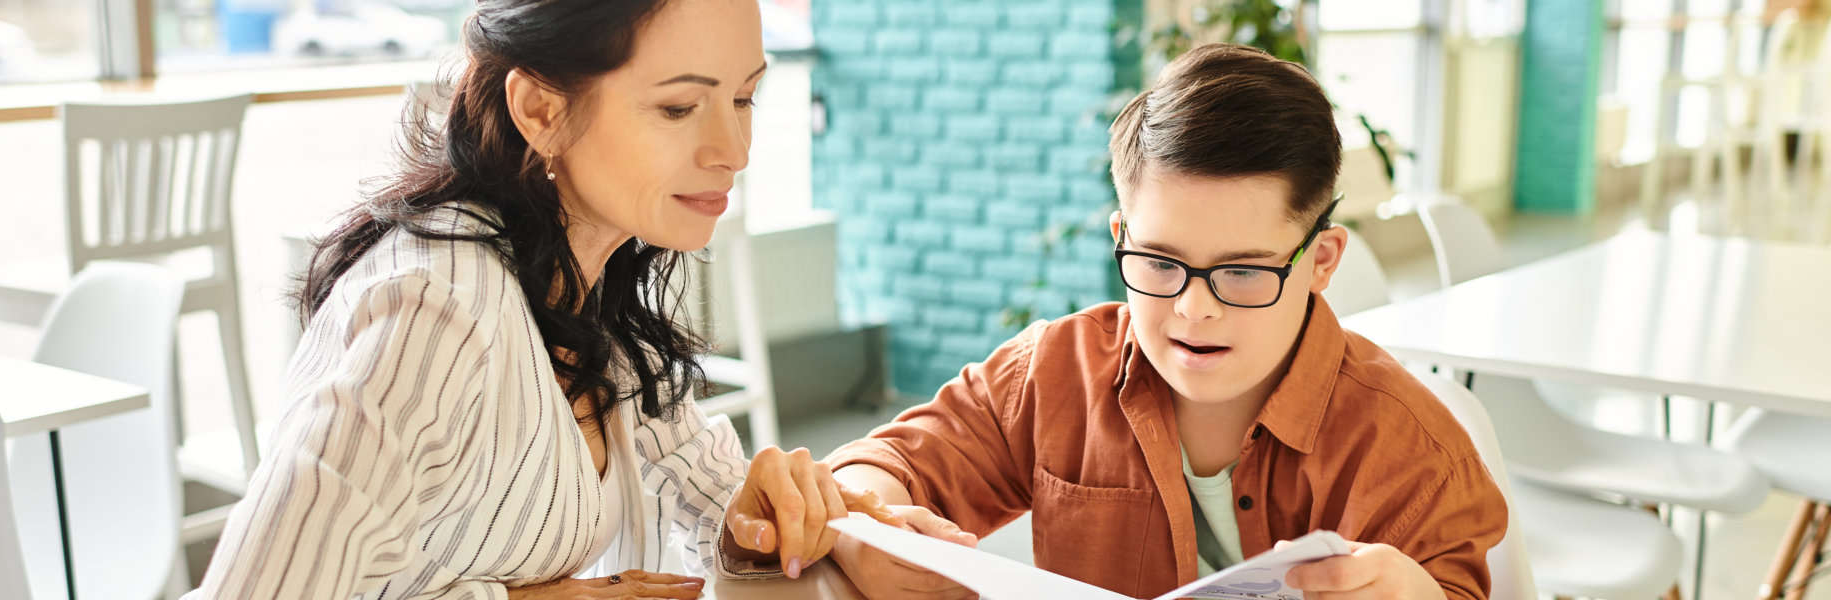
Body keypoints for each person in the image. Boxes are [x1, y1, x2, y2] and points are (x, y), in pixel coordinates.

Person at [187, 0, 900, 598]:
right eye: (680, 107)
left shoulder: (587, 278)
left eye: (744, 98)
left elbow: (700, 490)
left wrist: (756, 517)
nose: (735, 148)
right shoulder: (433, 312)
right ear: (539, 109)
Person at [819, 44, 1510, 600]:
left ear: (1321, 260)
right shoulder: (1054, 372)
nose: (1193, 308)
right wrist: (867, 526)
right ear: (1122, 235)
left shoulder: (1410, 446)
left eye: (1242, 271)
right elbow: (885, 464)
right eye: (1159, 262)